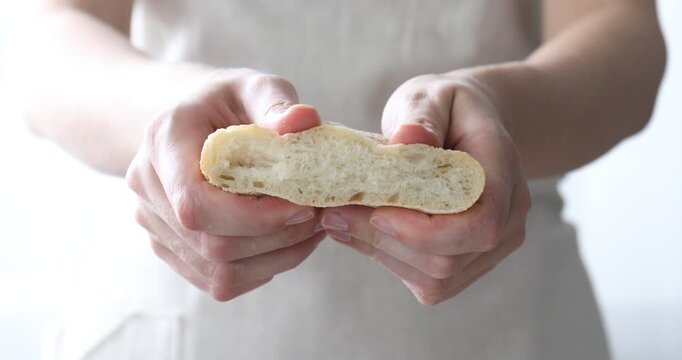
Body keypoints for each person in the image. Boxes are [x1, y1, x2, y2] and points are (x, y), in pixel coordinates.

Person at [18, 0, 665, 359]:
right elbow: (46, 39)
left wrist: (503, 108)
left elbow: (621, 32)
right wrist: (168, 112)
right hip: (182, 315)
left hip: (500, 323)